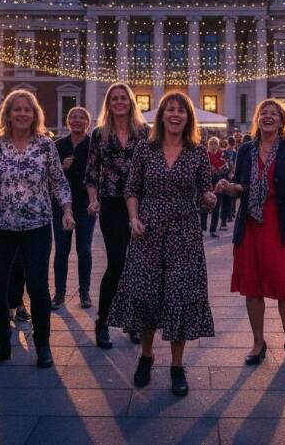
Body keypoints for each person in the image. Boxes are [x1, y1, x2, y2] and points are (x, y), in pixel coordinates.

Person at [108, 92, 216, 396]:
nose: (175, 114)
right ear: (162, 115)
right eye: (170, 109)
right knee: (146, 295)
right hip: (148, 230)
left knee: (179, 296)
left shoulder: (197, 152)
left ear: (188, 117)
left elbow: (204, 193)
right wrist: (133, 218)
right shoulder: (146, 148)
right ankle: (146, 355)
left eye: (181, 110)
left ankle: (177, 365)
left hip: (184, 232)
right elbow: (132, 189)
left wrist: (208, 198)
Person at [0, 89, 74, 368]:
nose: (23, 113)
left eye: (28, 109)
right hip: (0, 225)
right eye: (17, 109)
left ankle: (42, 345)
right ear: (9, 114)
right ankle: (1, 343)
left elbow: (58, 181)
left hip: (37, 225)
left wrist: (67, 209)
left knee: (37, 286)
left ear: (35, 113)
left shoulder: (45, 145)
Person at [216, 99, 285, 369]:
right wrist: (228, 187)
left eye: (274, 114)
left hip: (283, 225)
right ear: (257, 119)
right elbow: (241, 186)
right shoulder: (247, 149)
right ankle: (258, 342)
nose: (268, 117)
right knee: (253, 287)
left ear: (282, 121)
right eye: (264, 113)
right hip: (252, 225)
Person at [85, 82, 150, 349]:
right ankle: (102, 322)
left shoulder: (146, 132)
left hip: (142, 205)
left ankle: (133, 322)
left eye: (124, 98)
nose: (120, 102)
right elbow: (91, 172)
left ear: (131, 102)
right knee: (116, 264)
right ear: (109, 104)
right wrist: (92, 200)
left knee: (138, 266)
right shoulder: (100, 134)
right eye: (115, 99)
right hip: (111, 204)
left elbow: (154, 166)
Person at [52, 107, 97, 310]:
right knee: (61, 250)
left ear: (87, 123)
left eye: (82, 117)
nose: (77, 120)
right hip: (61, 205)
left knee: (84, 250)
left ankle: (84, 293)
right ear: (68, 121)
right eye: (73, 117)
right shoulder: (58, 145)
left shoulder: (93, 145)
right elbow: (49, 175)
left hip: (84, 205)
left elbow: (99, 174)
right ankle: (59, 293)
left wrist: (95, 200)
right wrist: (62, 167)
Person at [201, 136, 227, 238]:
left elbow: (226, 169)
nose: (213, 146)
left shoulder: (221, 155)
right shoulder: (204, 155)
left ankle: (213, 230)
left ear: (218, 145)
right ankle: (202, 229)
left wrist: (221, 170)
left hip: (218, 184)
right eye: (211, 144)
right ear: (208, 145)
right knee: (204, 207)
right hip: (206, 184)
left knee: (216, 208)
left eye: (215, 144)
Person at [220, 136, 238, 228]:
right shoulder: (225, 153)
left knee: (228, 198)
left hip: (230, 177)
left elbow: (236, 165)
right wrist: (230, 170)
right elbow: (222, 164)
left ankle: (228, 216)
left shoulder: (234, 153)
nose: (231, 145)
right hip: (226, 177)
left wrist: (233, 171)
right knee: (227, 198)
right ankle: (226, 218)